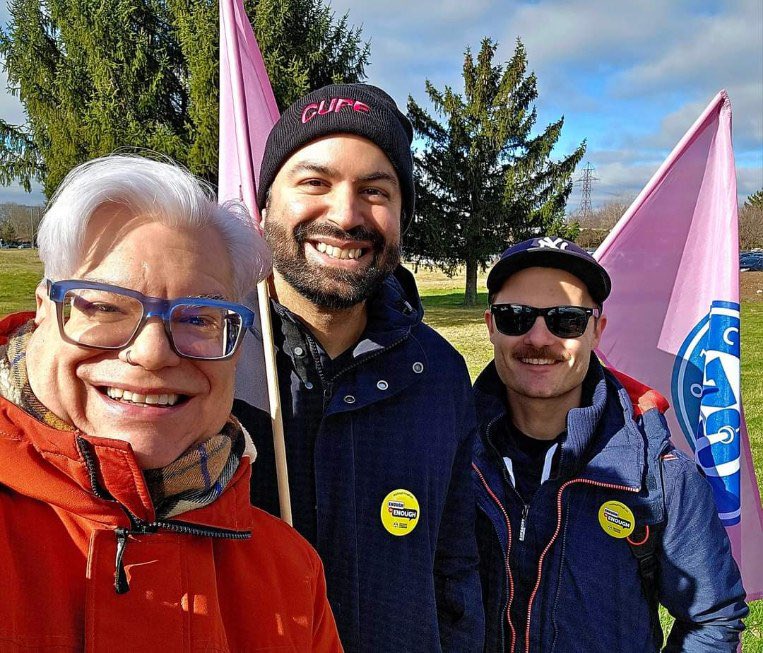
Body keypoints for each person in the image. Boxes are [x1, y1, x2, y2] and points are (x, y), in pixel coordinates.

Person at [0, 154, 342, 651]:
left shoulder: (293, 576)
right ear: (44, 312)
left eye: (199, 318)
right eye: (104, 305)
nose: (153, 352)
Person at [233, 83, 484, 652]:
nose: (346, 216)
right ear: (266, 203)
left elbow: (455, 567)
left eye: (375, 191)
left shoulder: (439, 374)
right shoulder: (203, 359)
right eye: (315, 183)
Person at [473, 235, 748, 652]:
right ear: (491, 325)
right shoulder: (446, 450)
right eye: (517, 317)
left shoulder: (661, 474)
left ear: (596, 332)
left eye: (566, 320)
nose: (540, 338)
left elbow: (712, 618)